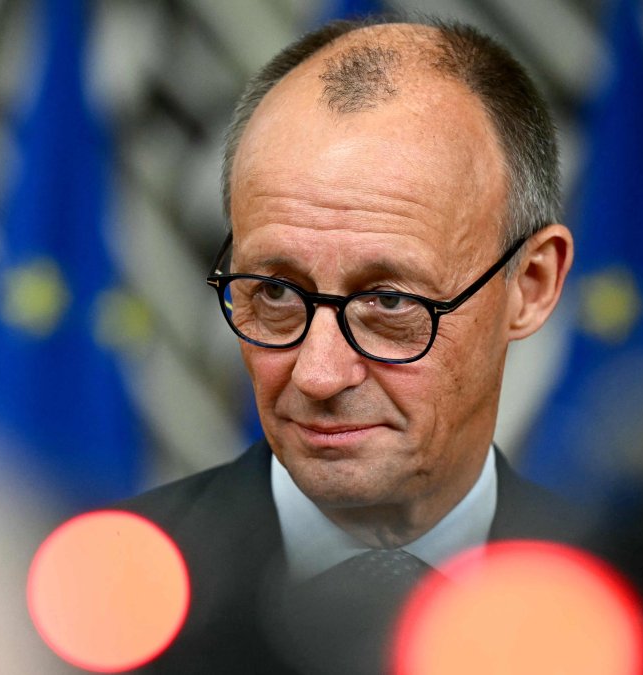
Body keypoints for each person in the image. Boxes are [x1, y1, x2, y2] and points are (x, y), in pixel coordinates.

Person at [119, 15, 577, 674]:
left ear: (530, 285)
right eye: (275, 292)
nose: (318, 374)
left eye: (389, 302)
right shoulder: (95, 612)